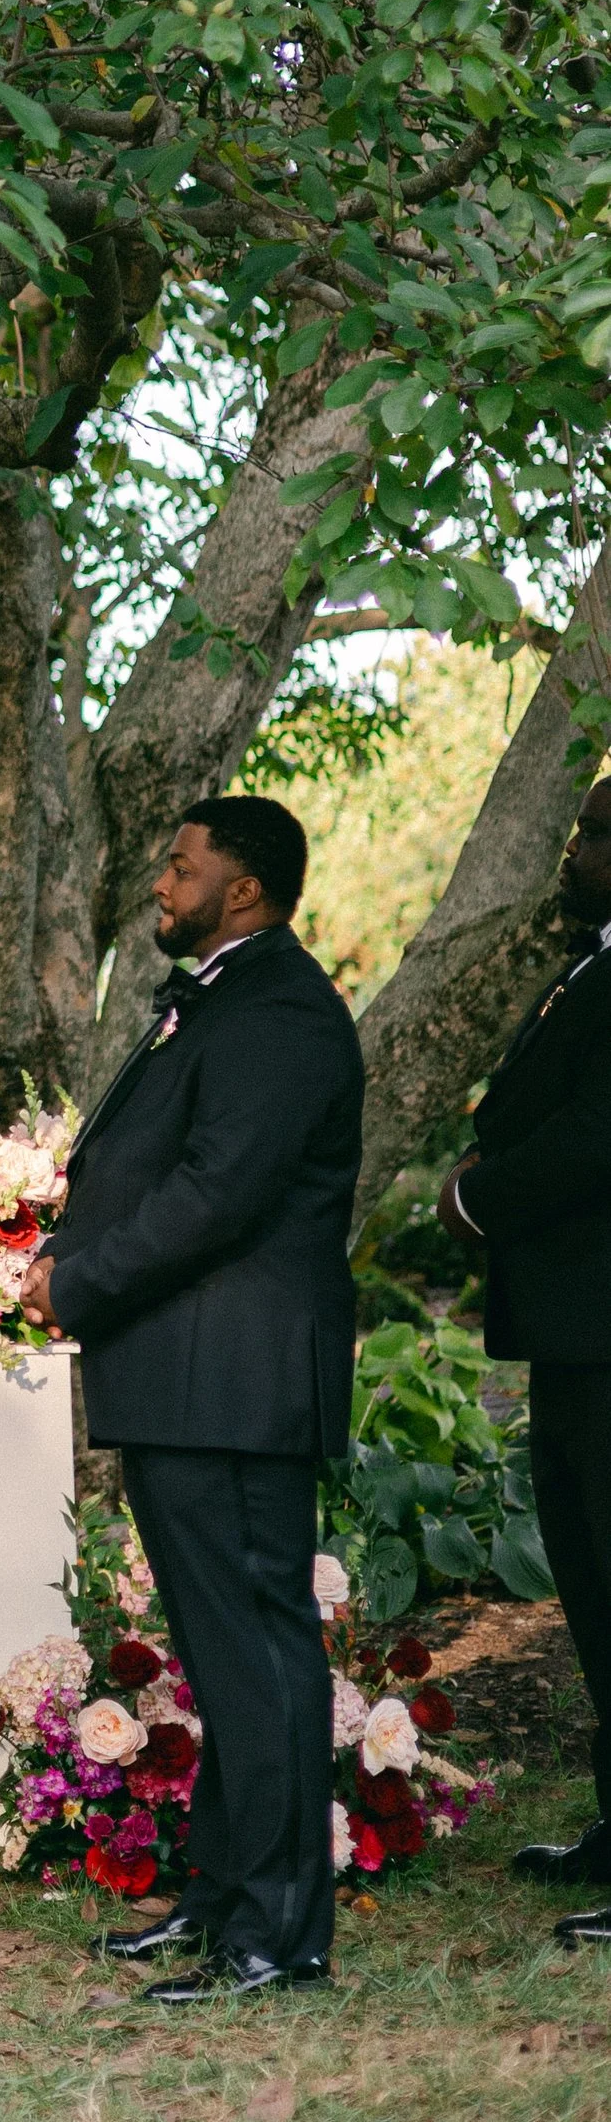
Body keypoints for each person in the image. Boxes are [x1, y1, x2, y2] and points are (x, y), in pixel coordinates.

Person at [22, 794, 362, 2007]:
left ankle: (278, 1932)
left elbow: (217, 1196)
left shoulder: (280, 1012)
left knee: (260, 1653)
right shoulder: (217, 996)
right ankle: (223, 1894)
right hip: (187, 1374)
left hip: (236, 1377)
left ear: (245, 890)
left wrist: (80, 1281)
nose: (160, 885)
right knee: (221, 1656)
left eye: (180, 867)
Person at [441, 774, 611, 1942]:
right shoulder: (589, 964)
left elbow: (594, 1134)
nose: (572, 849)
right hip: (573, 1334)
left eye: (593, 834)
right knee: (589, 1581)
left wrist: (475, 1200)